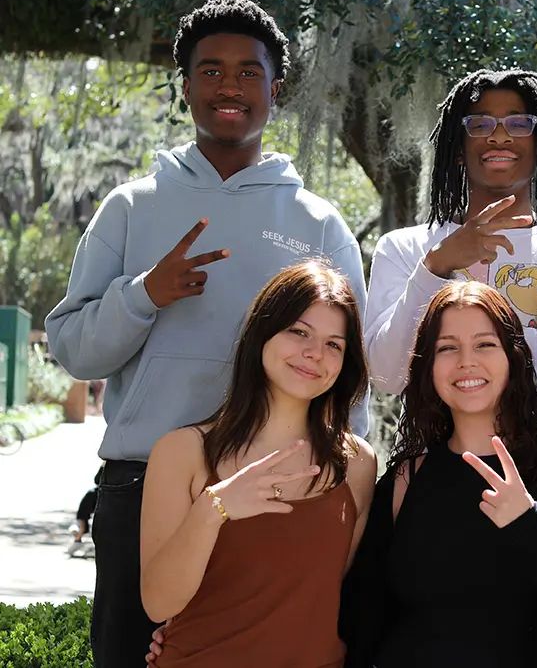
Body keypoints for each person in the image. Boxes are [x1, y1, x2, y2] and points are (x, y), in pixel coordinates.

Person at [43, 0, 368, 667]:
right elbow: (74, 348)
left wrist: (330, 480)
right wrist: (144, 295)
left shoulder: (319, 223)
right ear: (184, 85)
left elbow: (346, 369)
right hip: (141, 489)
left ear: (275, 91)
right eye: (211, 70)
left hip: (279, 490)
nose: (229, 85)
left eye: (249, 72)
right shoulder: (130, 207)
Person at [342, 281, 537, 667]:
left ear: (513, 357)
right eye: (447, 347)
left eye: (485, 344)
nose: (466, 361)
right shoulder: (406, 480)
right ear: (428, 366)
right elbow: (362, 625)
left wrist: (529, 525)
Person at [140, 261, 375, 667]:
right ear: (262, 331)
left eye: (334, 344)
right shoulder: (181, 453)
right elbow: (159, 603)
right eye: (299, 331)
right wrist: (214, 509)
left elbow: (322, 595)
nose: (314, 354)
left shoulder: (357, 464)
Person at [363, 69, 537, 431]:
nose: (498, 136)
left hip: (536, 473)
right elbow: (387, 373)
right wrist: (436, 267)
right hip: (430, 471)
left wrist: (445, 346)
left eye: (519, 123)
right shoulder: (406, 249)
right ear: (458, 149)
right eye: (479, 125)